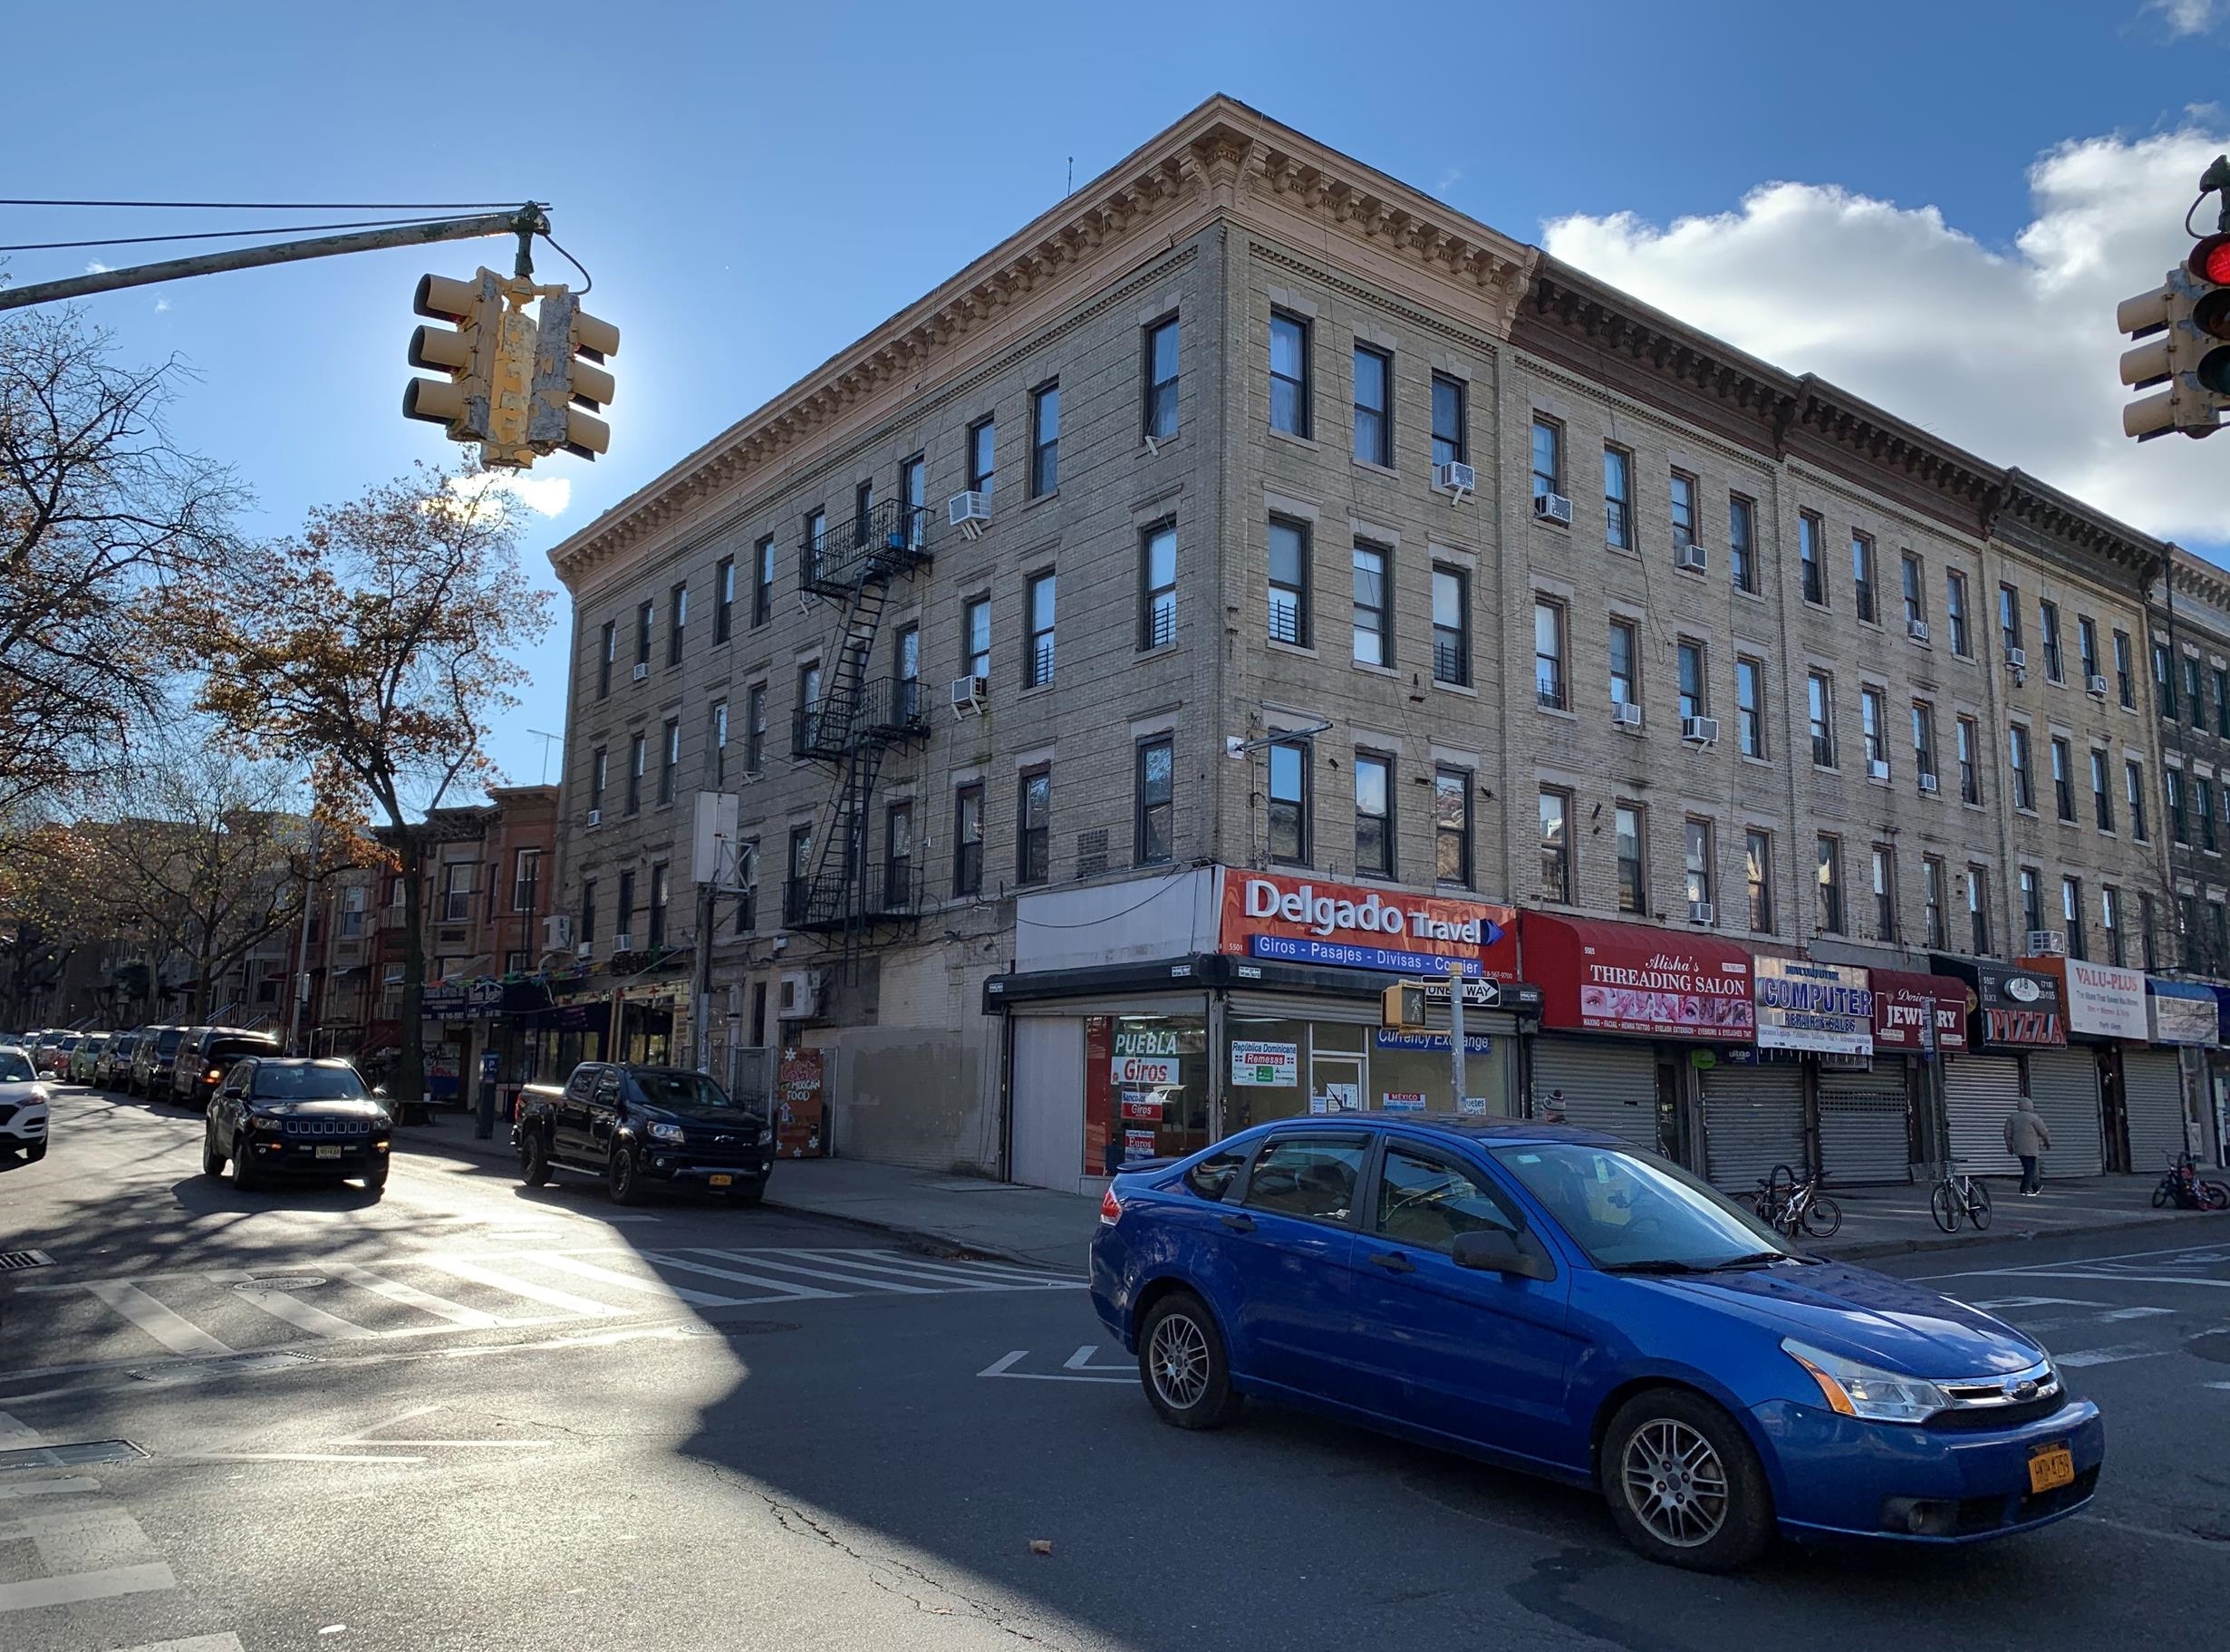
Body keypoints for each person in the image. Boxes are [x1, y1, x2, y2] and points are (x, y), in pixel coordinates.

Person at [2003, 1096, 2052, 1196]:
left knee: (2028, 1166)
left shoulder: (2012, 1118)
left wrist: (2009, 1146)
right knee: (2030, 1168)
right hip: (2031, 1147)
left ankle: (2036, 1186)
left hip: (2019, 1147)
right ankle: (2025, 1188)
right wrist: (2047, 1142)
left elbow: (2007, 1134)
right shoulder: (2033, 1117)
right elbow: (2043, 1131)